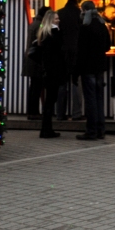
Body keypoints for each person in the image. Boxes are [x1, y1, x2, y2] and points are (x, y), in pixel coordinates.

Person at [75, 0, 111, 141]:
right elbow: (107, 46)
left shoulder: (84, 27)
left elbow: (81, 51)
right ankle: (101, 129)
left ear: (83, 10)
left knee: (90, 99)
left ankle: (91, 131)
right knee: (99, 98)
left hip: (88, 67)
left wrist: (76, 70)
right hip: (100, 67)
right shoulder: (102, 25)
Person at [36, 9, 65, 138]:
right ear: (50, 20)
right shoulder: (54, 34)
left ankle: (46, 128)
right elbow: (56, 54)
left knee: (49, 100)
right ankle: (46, 129)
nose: (58, 20)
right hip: (54, 71)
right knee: (50, 101)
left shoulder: (44, 34)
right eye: (56, 18)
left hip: (48, 71)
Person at [56, 0, 83, 120]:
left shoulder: (59, 13)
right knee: (76, 83)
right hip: (77, 51)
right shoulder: (79, 13)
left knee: (62, 84)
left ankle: (60, 114)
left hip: (62, 52)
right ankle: (76, 113)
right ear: (76, 4)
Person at [24, 7, 47, 120]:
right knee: (36, 87)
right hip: (36, 60)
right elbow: (40, 43)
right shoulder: (40, 26)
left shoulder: (34, 23)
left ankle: (32, 112)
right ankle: (34, 112)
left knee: (33, 87)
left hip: (30, 59)